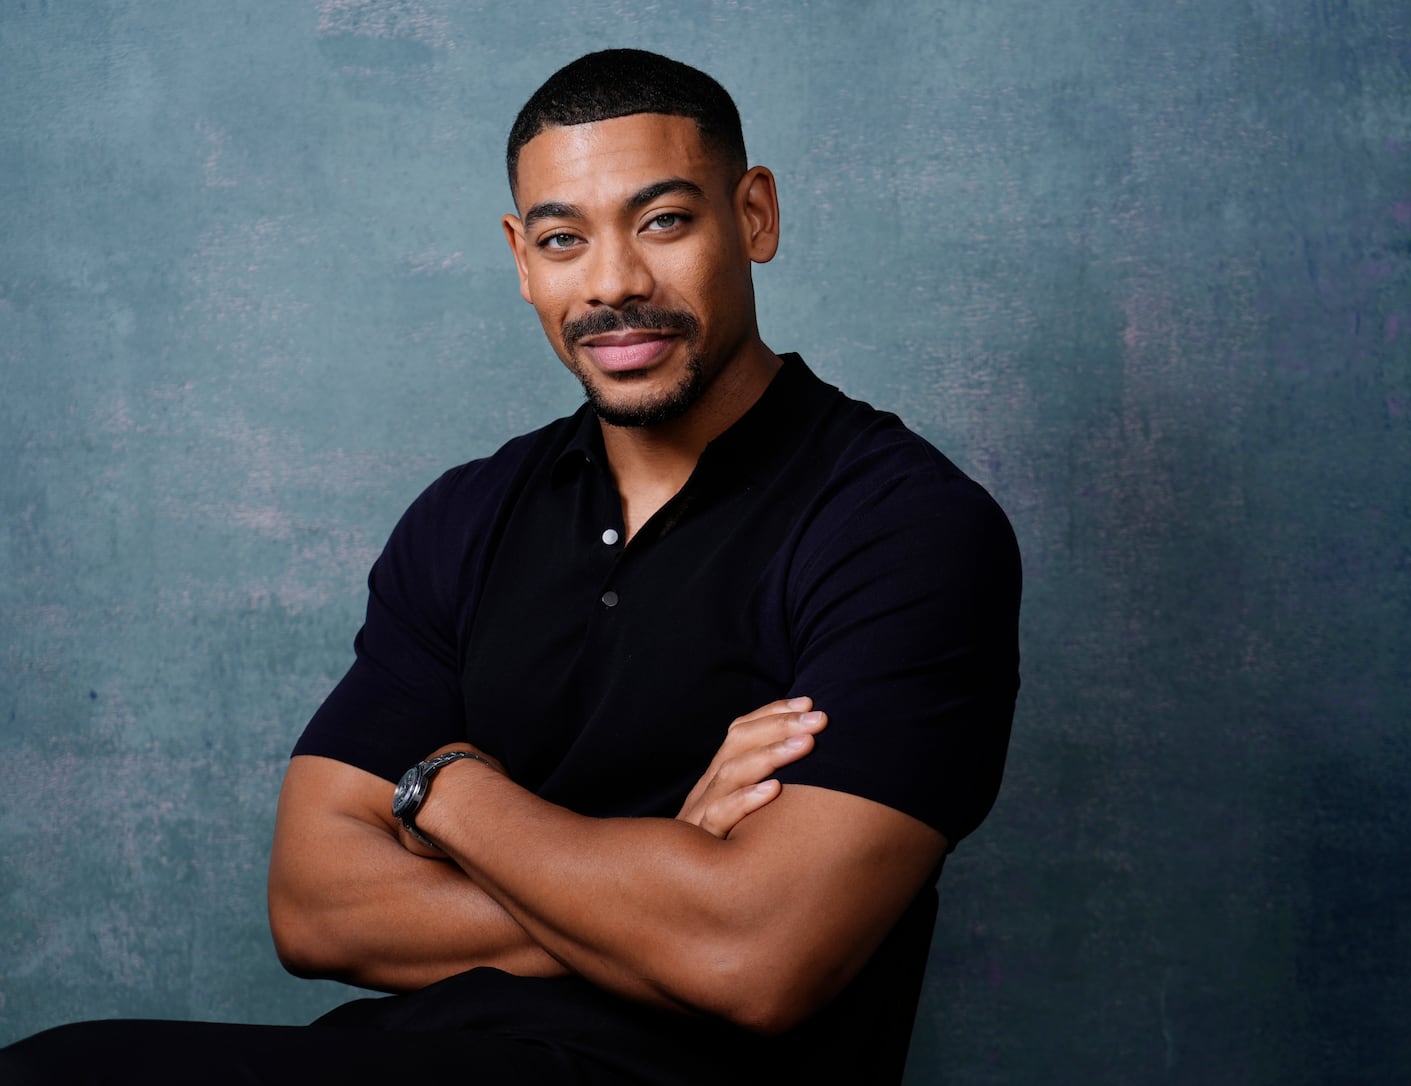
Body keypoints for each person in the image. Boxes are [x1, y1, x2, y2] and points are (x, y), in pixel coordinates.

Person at [0, 48, 1019, 1084]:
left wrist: (446, 790)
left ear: (752, 216)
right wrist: (662, 872)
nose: (614, 282)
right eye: (563, 239)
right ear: (521, 259)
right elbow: (313, 907)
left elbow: (752, 955)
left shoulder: (904, 528)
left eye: (663, 220)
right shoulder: (466, 518)